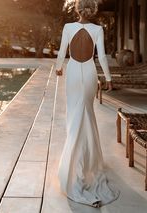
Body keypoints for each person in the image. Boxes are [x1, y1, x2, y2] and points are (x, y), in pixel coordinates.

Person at [55, 0, 119, 208]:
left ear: (77, 10)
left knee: (75, 115)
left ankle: (74, 160)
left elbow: (63, 50)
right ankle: (86, 160)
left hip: (73, 71)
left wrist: (58, 67)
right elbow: (100, 56)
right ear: (92, 11)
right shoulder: (98, 29)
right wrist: (108, 78)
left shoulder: (68, 27)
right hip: (90, 72)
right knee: (87, 114)